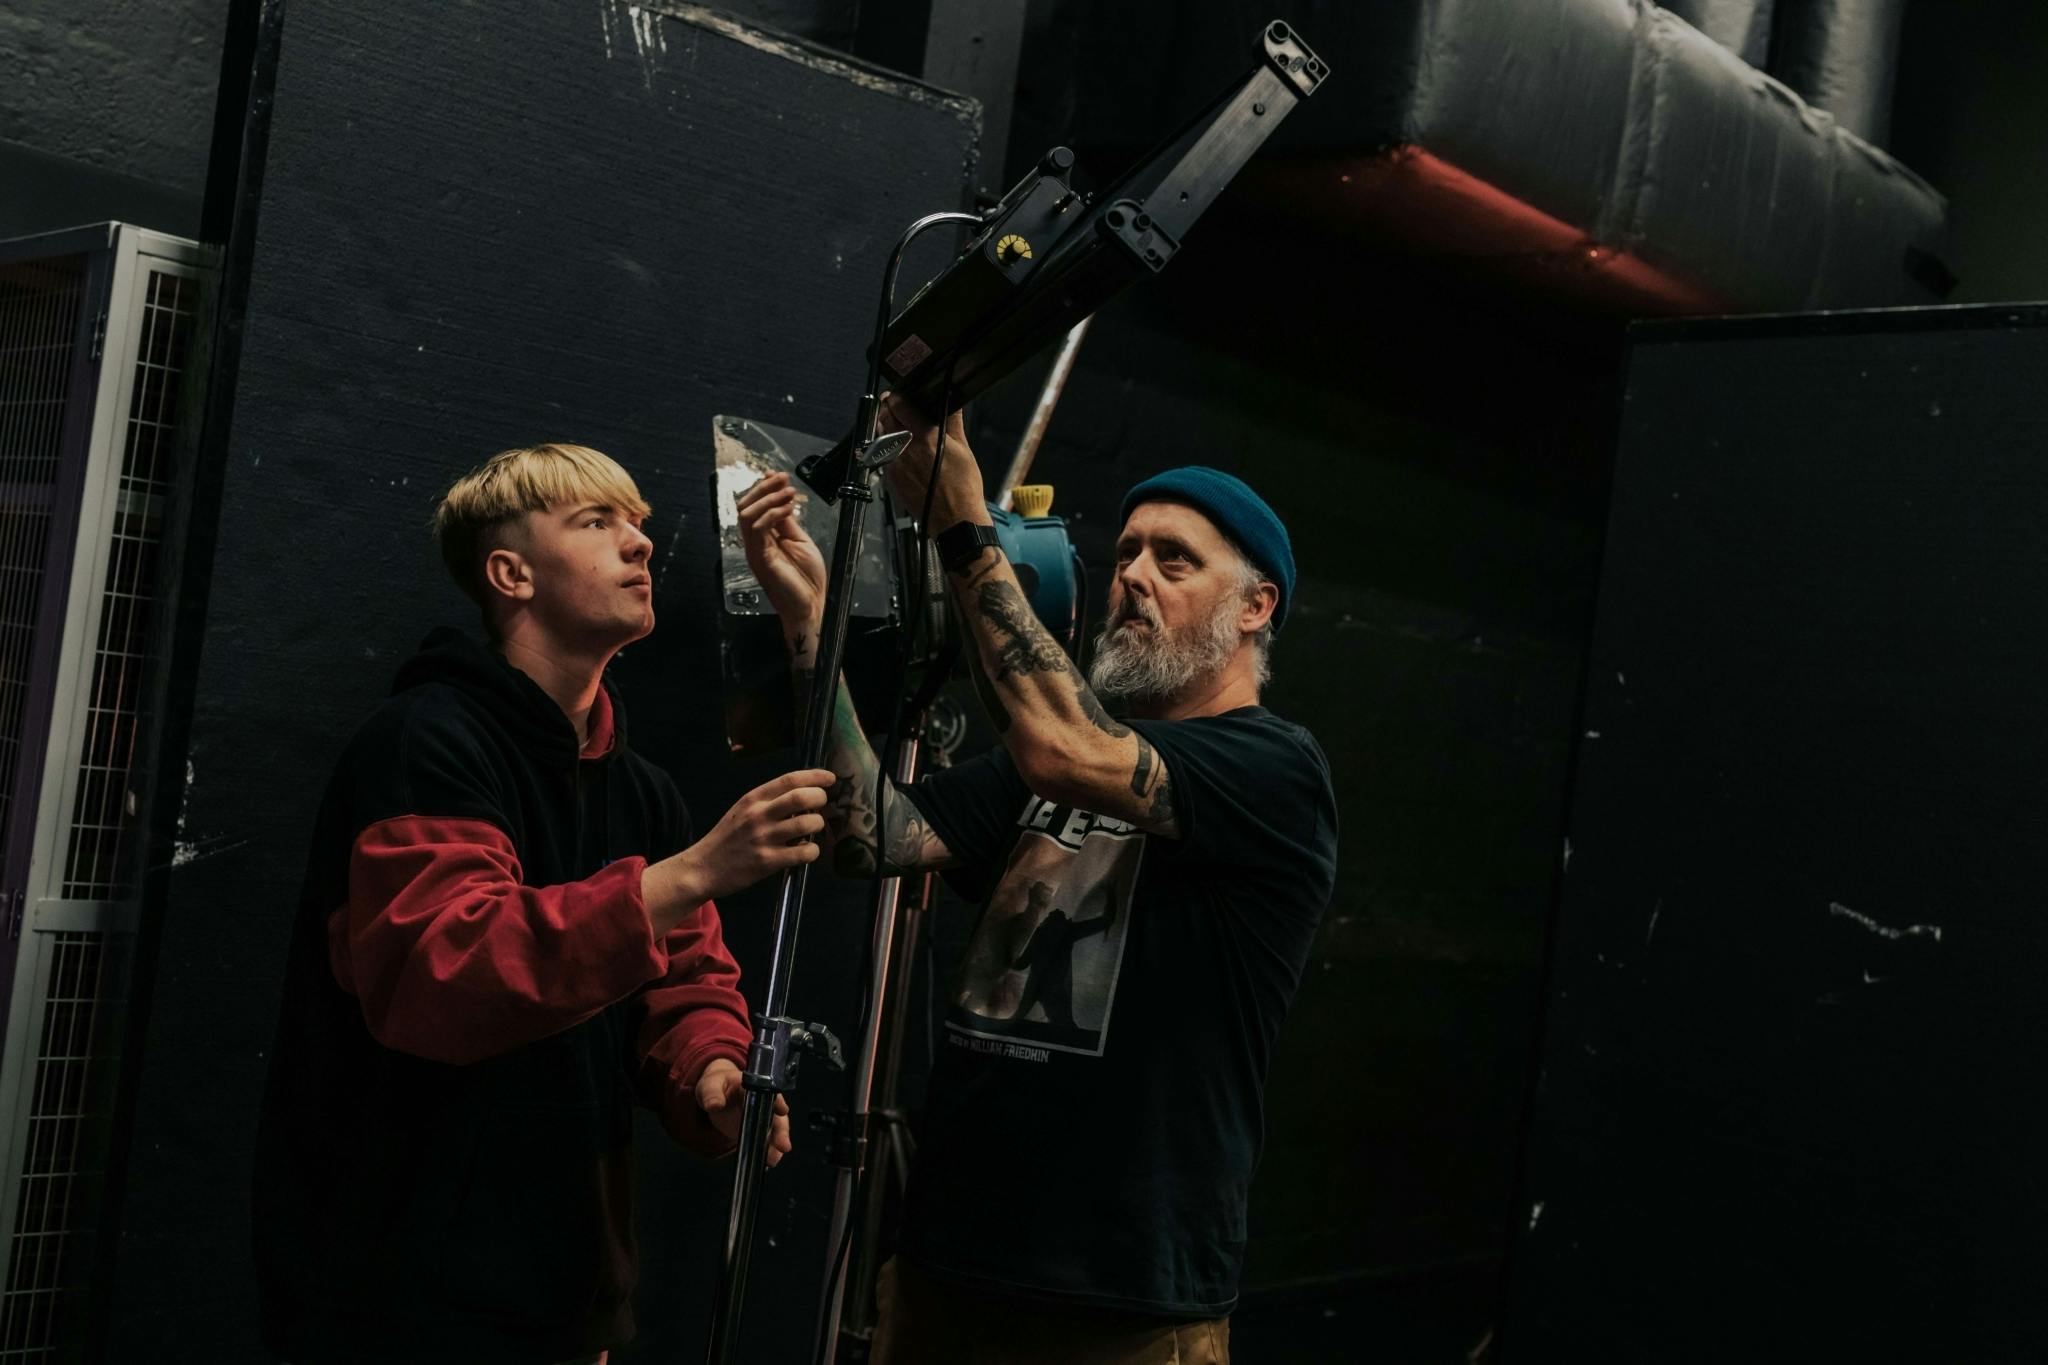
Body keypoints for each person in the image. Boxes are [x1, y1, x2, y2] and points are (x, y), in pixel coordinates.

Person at [736, 400, 1339, 1365]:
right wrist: (812, 624)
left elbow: (1066, 745)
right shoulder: (1049, 757)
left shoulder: (1272, 767)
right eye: (1129, 552)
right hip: (951, 1266)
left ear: (1255, 606)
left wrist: (963, 520)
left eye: (1174, 560)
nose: (1133, 576)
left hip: (1120, 1299)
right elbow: (873, 836)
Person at [254, 443, 833, 1364]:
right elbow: (447, 965)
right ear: (510, 572)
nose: (639, 544)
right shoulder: (423, 743)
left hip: (566, 1298)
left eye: (638, 523)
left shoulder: (639, 792)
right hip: (398, 1302)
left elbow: (684, 988)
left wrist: (713, 1074)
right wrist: (692, 872)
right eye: (596, 522)